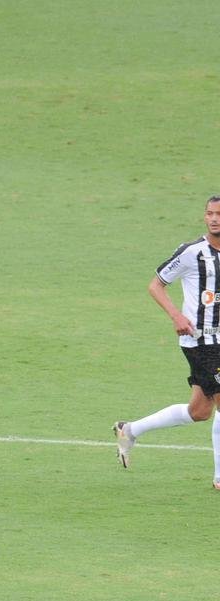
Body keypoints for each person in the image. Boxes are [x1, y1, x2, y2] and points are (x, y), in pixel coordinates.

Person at [115, 195, 220, 488]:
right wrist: (176, 316)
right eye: (210, 213)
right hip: (200, 341)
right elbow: (156, 285)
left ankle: (129, 430)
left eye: (219, 214)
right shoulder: (191, 253)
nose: (214, 219)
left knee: (199, 412)